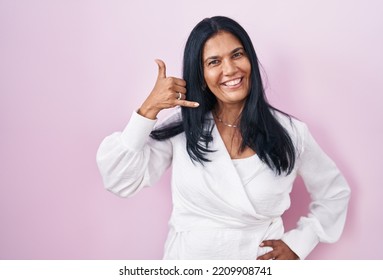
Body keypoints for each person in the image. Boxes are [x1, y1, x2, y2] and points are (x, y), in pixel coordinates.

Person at [96, 16, 351, 260]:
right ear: (202, 76)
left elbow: (334, 192)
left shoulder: (291, 132)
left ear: (250, 59)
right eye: (214, 62)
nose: (230, 69)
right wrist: (148, 110)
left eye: (237, 55)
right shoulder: (182, 127)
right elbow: (119, 180)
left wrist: (300, 243)